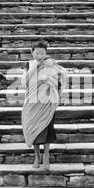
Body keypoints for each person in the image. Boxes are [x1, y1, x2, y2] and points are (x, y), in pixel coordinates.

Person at [21, 40, 67, 170]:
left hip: (46, 102)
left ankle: (46, 154)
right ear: (32, 53)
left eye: (42, 53)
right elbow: (24, 82)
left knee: (46, 129)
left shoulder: (51, 64)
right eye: (37, 53)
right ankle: (37, 156)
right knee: (31, 129)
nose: (40, 56)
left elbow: (60, 81)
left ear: (46, 53)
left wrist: (49, 79)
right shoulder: (28, 65)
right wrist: (34, 67)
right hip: (32, 102)